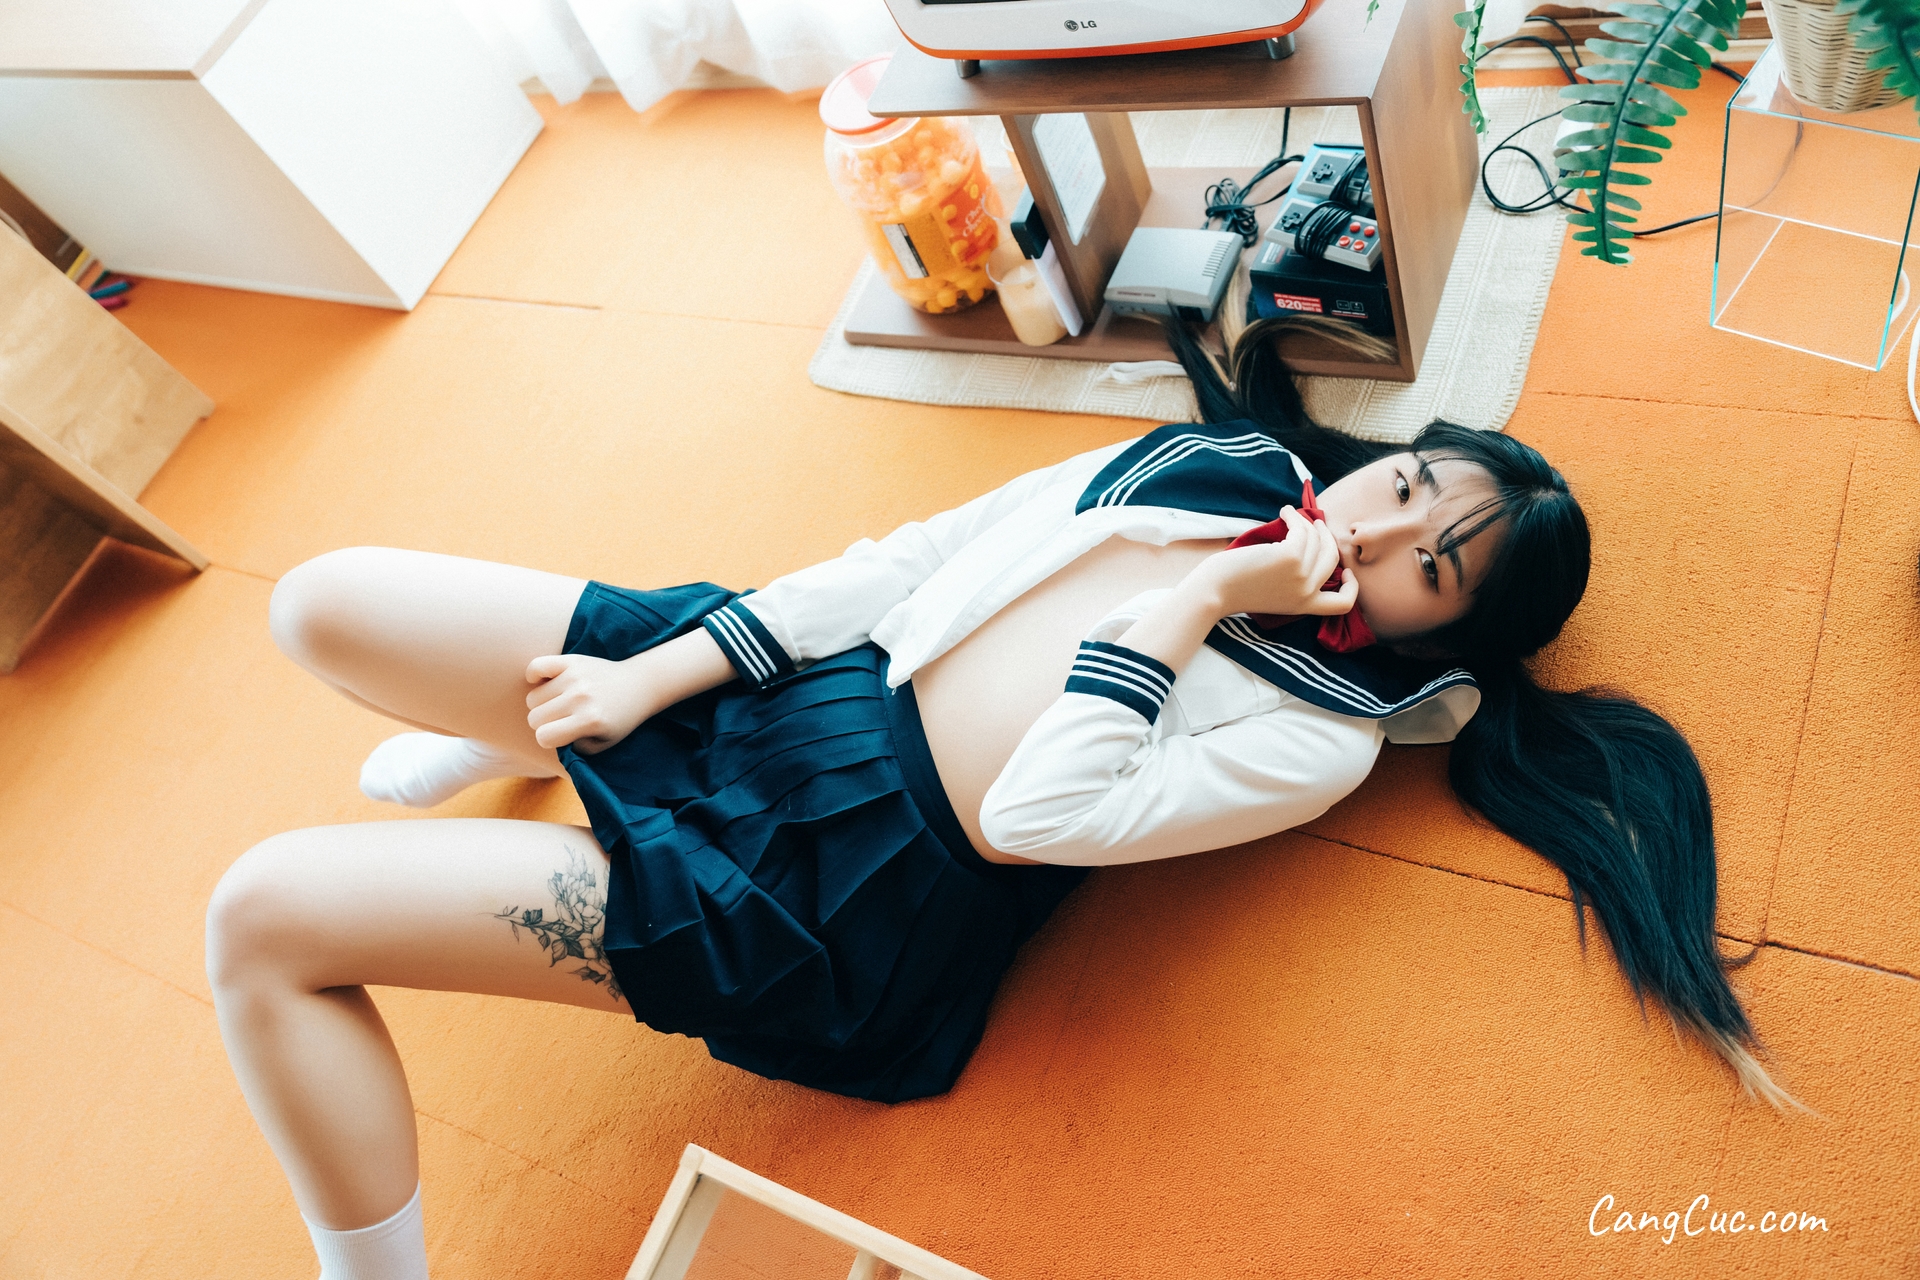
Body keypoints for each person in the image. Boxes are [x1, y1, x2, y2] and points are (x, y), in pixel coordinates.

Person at [205, 315, 1790, 1280]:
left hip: (831, 899)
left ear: (1442, 636)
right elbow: (905, 566)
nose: (1372, 533)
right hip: (796, 694)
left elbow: (1040, 817)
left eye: (1424, 568)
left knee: (265, 917)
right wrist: (651, 681)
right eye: (1405, 484)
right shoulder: (1201, 467)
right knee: (320, 603)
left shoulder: (1318, 743)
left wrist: (1201, 603)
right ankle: (551, 739)